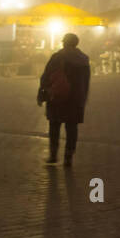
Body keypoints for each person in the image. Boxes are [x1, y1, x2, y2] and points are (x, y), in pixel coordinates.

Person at [38, 32, 91, 166]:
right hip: (76, 98)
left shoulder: (58, 57)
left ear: (64, 42)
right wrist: (83, 98)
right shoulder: (84, 59)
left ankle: (53, 154)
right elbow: (86, 81)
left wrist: (42, 93)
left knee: (54, 126)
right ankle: (68, 157)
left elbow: (46, 76)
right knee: (72, 128)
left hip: (58, 97)